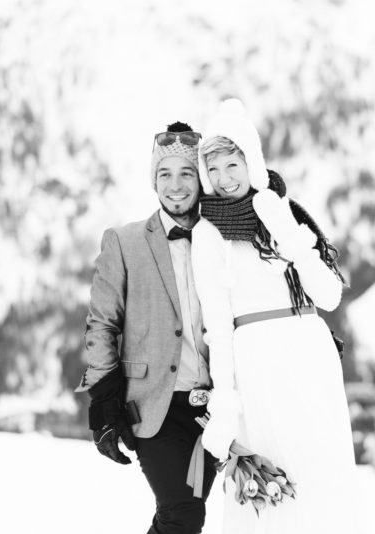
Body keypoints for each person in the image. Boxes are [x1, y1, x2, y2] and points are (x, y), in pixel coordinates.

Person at [190, 99, 357, 533]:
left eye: (233, 164)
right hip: (258, 363)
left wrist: (283, 227)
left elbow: (329, 295)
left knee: (324, 477)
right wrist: (224, 402)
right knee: (274, 487)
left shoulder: (286, 211)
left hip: (311, 353)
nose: (224, 180)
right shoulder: (209, 233)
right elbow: (218, 327)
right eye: (215, 170)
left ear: (253, 160)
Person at [75, 121, 217, 534]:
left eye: (186, 173)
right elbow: (101, 325)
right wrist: (103, 400)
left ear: (200, 180)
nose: (176, 186)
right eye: (165, 174)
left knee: (177, 517)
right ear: (153, 180)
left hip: (216, 408)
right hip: (155, 405)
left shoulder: (221, 239)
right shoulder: (125, 242)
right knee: (182, 516)